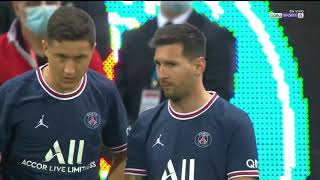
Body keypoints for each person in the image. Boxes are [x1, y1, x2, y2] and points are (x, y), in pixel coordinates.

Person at [0, 7, 127, 180]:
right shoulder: (11, 95)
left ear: (93, 50)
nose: (69, 70)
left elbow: (123, 156)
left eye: (80, 58)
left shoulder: (105, 93)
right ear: (45, 48)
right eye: (61, 57)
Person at [124, 24, 259, 180]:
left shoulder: (235, 123)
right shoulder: (144, 124)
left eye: (171, 64)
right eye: (158, 64)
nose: (162, 74)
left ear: (198, 66)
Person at [115, 1, 236, 123]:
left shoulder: (217, 38)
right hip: (138, 134)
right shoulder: (133, 38)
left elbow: (219, 95)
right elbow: (120, 93)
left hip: (191, 133)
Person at [0, 1, 105, 86]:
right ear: (16, 7)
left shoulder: (81, 46)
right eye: (33, 3)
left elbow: (105, 100)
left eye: (50, 2)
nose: (44, 9)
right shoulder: (2, 50)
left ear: (60, 5)